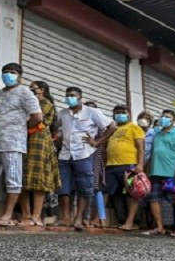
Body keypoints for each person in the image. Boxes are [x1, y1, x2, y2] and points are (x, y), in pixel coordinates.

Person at [53, 88, 116, 229]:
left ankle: (79, 218)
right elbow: (55, 128)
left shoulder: (92, 112)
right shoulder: (62, 113)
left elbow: (112, 126)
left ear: (80, 97)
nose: (69, 98)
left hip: (84, 154)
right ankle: (66, 217)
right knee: (63, 186)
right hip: (65, 154)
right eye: (67, 95)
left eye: (72, 96)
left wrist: (97, 142)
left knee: (84, 186)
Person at [0, 63, 43, 226]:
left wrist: (23, 128)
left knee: (13, 179)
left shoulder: (25, 93)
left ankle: (7, 214)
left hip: (13, 141)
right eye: (5, 72)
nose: (8, 75)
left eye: (12, 72)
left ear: (19, 75)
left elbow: (38, 117)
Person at [18, 81, 60, 226]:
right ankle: (25, 215)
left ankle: (36, 216)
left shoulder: (46, 103)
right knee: (21, 178)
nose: (30, 90)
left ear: (41, 90)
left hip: (39, 142)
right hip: (23, 140)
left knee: (38, 180)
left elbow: (36, 120)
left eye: (33, 88)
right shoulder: (26, 102)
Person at [142, 110, 175, 237]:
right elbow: (153, 153)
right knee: (154, 199)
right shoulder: (157, 135)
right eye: (163, 116)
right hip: (156, 172)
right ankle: (159, 226)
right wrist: (148, 170)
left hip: (172, 173)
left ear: (174, 121)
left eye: (167, 117)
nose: (164, 119)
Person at [104, 104, 145, 230]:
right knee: (110, 193)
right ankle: (104, 219)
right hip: (111, 165)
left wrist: (140, 164)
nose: (120, 114)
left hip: (128, 165)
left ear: (128, 114)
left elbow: (140, 147)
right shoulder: (112, 129)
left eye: (122, 112)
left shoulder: (134, 128)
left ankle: (130, 222)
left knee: (131, 193)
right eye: (117, 112)